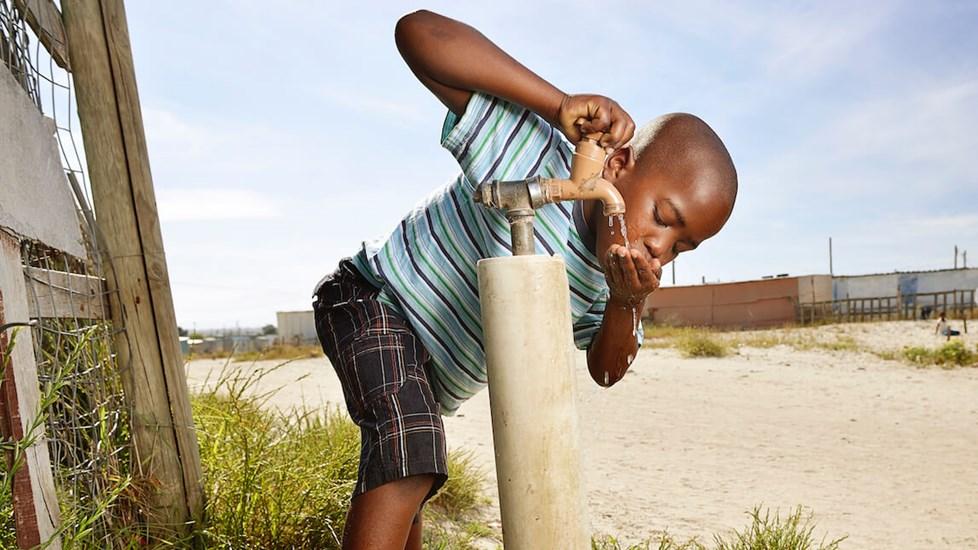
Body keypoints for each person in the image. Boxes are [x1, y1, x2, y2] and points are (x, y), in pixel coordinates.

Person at [312, 10, 738, 549]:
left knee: (410, 482)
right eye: (663, 216)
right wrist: (555, 104)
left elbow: (606, 370)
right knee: (410, 458)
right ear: (619, 164)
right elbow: (418, 34)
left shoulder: (610, 287)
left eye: (681, 247)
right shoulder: (536, 156)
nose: (660, 245)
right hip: (372, 299)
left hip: (428, 372)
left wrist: (626, 303)